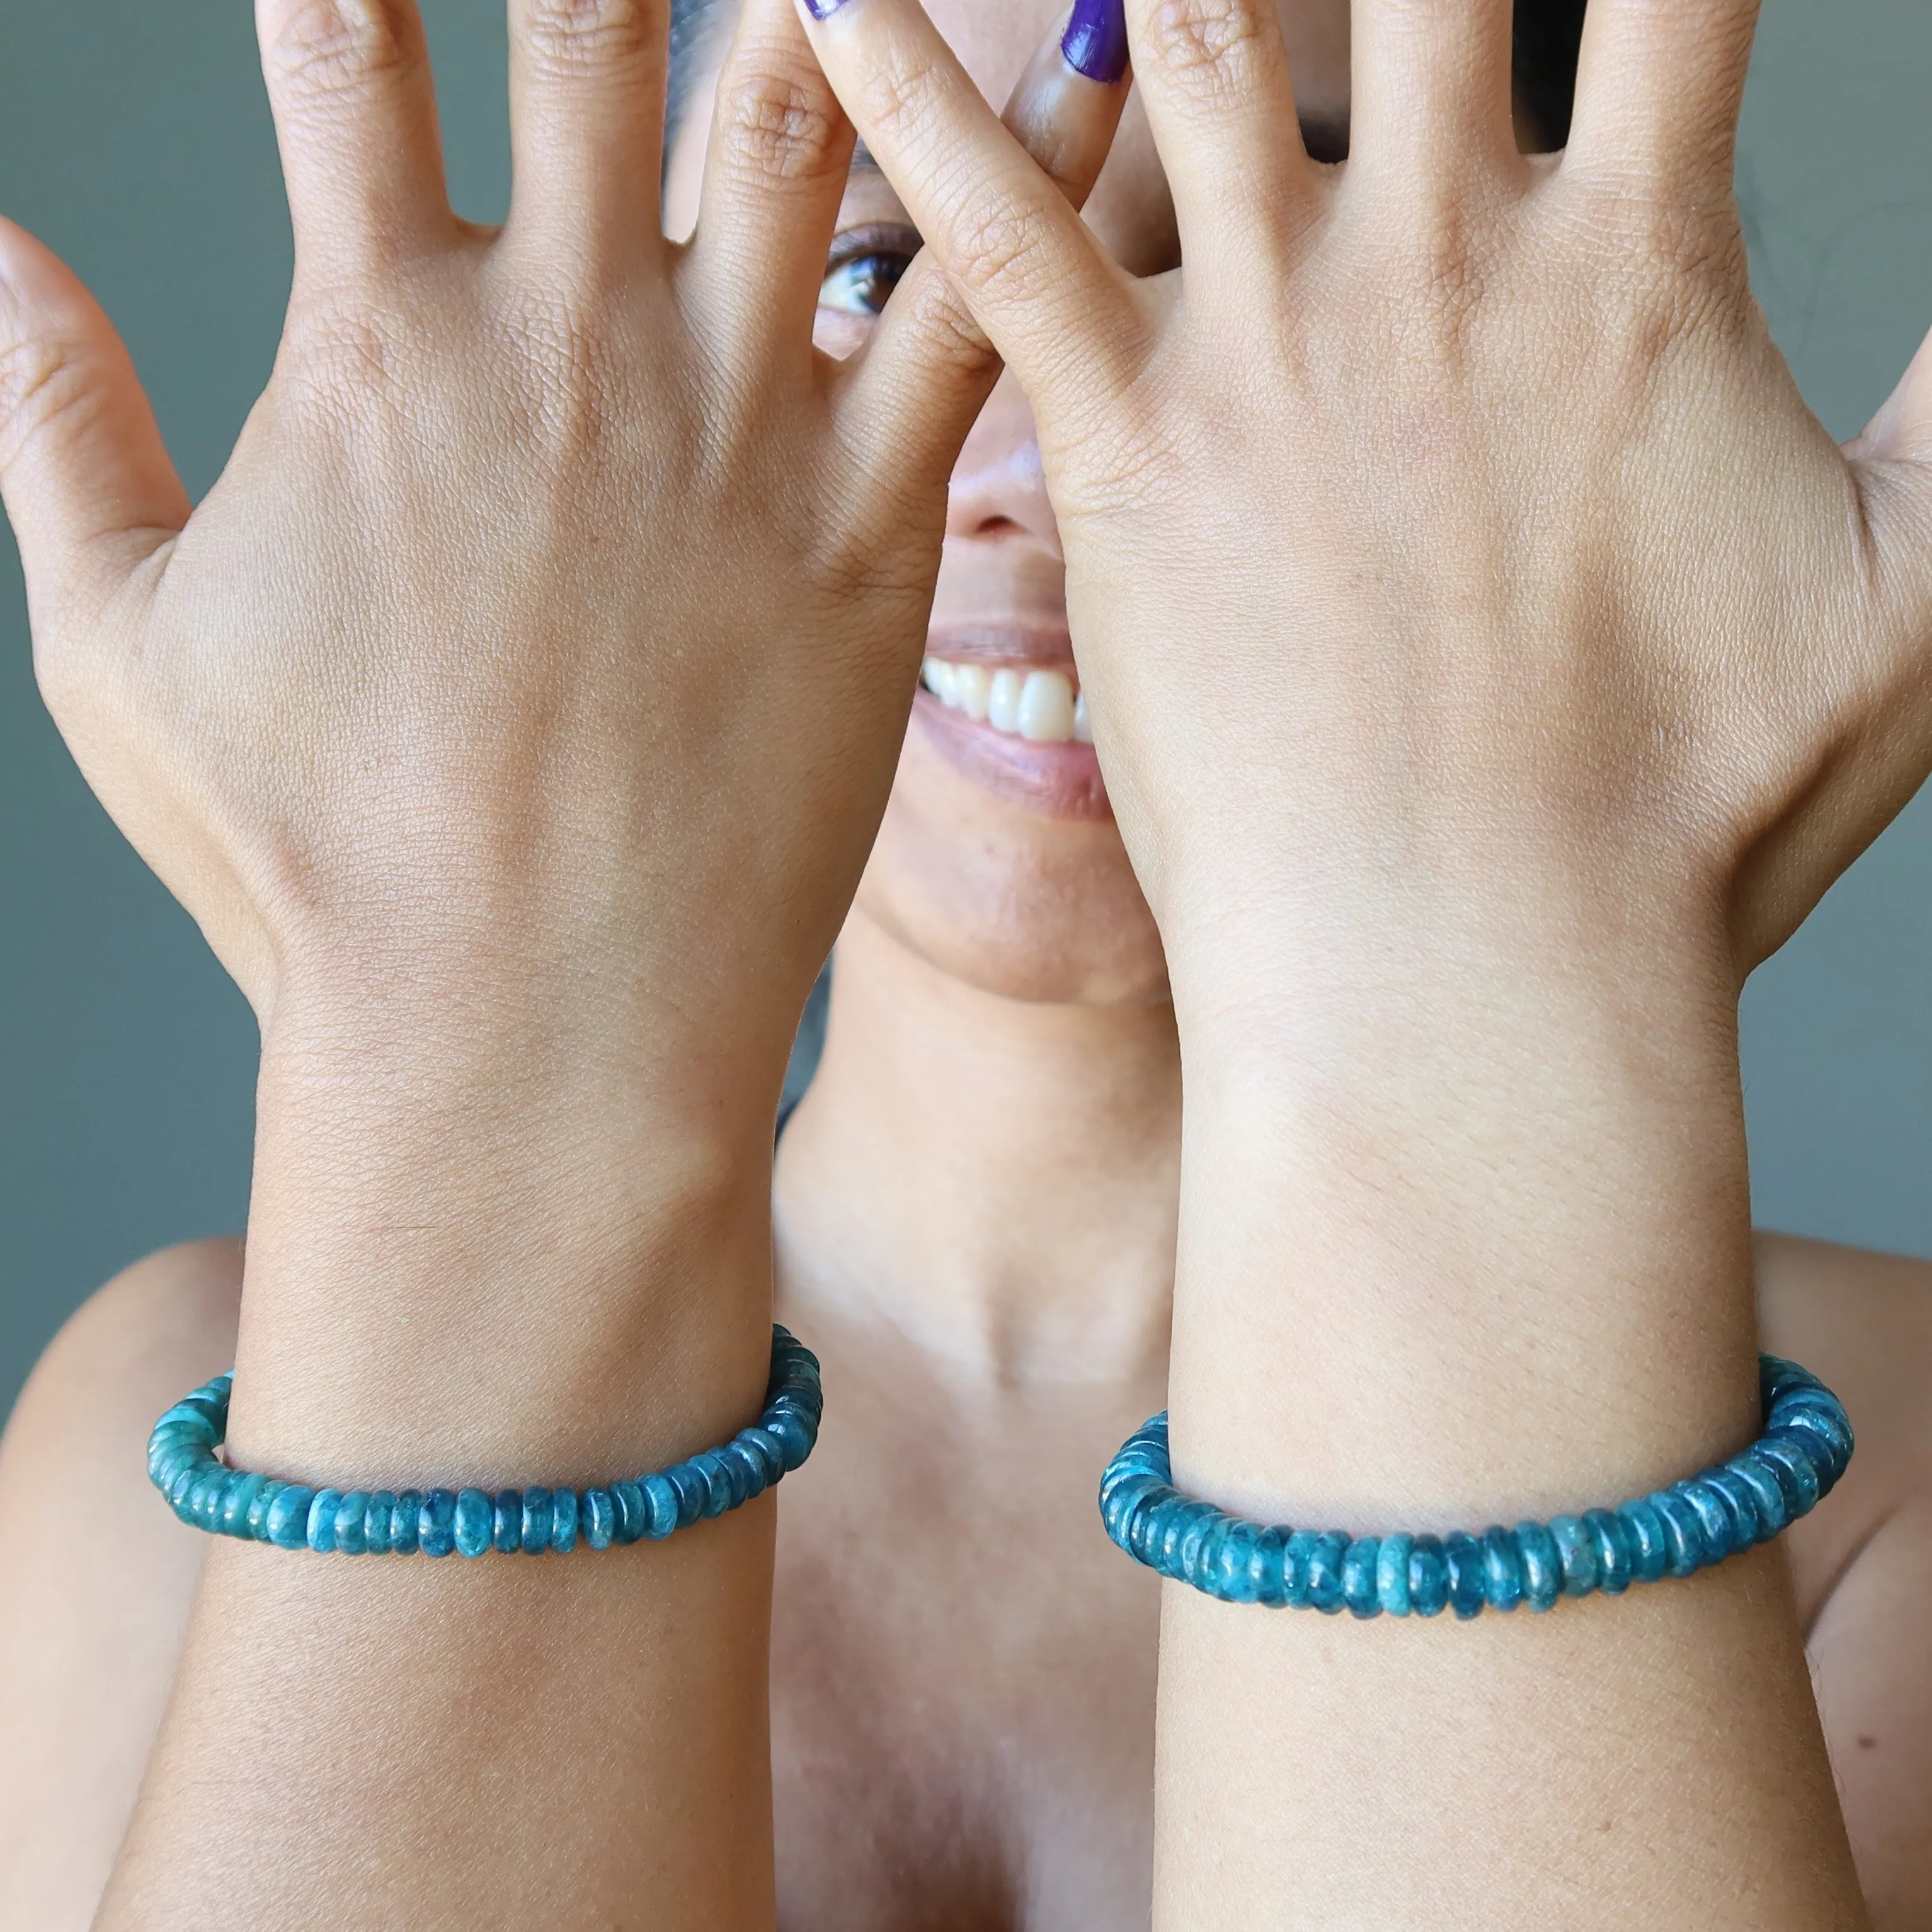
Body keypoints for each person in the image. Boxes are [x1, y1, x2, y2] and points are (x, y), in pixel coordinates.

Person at [0, 0, 1929, 1926]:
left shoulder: (1894, 1474)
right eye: (879, 264)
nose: (1055, 443)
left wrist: (1468, 997)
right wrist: (477, 1048)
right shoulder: (167, 1425)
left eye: (1279, 264)